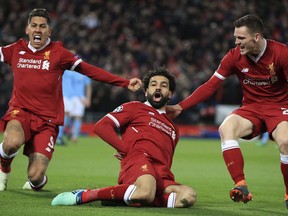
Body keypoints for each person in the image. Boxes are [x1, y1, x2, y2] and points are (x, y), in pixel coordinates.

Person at [0, 8, 142, 192]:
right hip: (21, 112)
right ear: (27, 29)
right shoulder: (15, 50)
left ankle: (36, 182)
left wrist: (124, 82)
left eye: (42, 26)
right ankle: (4, 168)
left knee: (35, 177)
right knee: (11, 142)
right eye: (34, 26)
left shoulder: (59, 53)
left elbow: (90, 70)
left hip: (47, 121)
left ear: (49, 31)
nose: (38, 30)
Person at [167, 14, 288, 207]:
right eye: (235, 37)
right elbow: (210, 86)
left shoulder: (281, 53)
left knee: (286, 141)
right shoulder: (234, 56)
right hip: (251, 109)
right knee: (226, 128)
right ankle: (240, 185)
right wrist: (181, 106)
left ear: (256, 37)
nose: (236, 42)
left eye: (241, 38)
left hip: (280, 108)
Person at [51, 66, 197, 208]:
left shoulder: (173, 128)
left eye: (163, 85)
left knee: (188, 196)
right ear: (146, 92)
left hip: (162, 174)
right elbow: (101, 126)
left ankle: (124, 196)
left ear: (170, 93)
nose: (158, 88)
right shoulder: (134, 107)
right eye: (153, 85)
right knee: (146, 191)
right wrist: (126, 150)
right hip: (139, 162)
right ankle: (86, 195)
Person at [56, 70, 92, 145]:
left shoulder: (84, 72)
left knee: (77, 117)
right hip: (67, 96)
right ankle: (61, 135)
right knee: (66, 115)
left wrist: (88, 98)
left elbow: (88, 85)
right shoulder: (66, 70)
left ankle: (74, 136)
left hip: (79, 98)